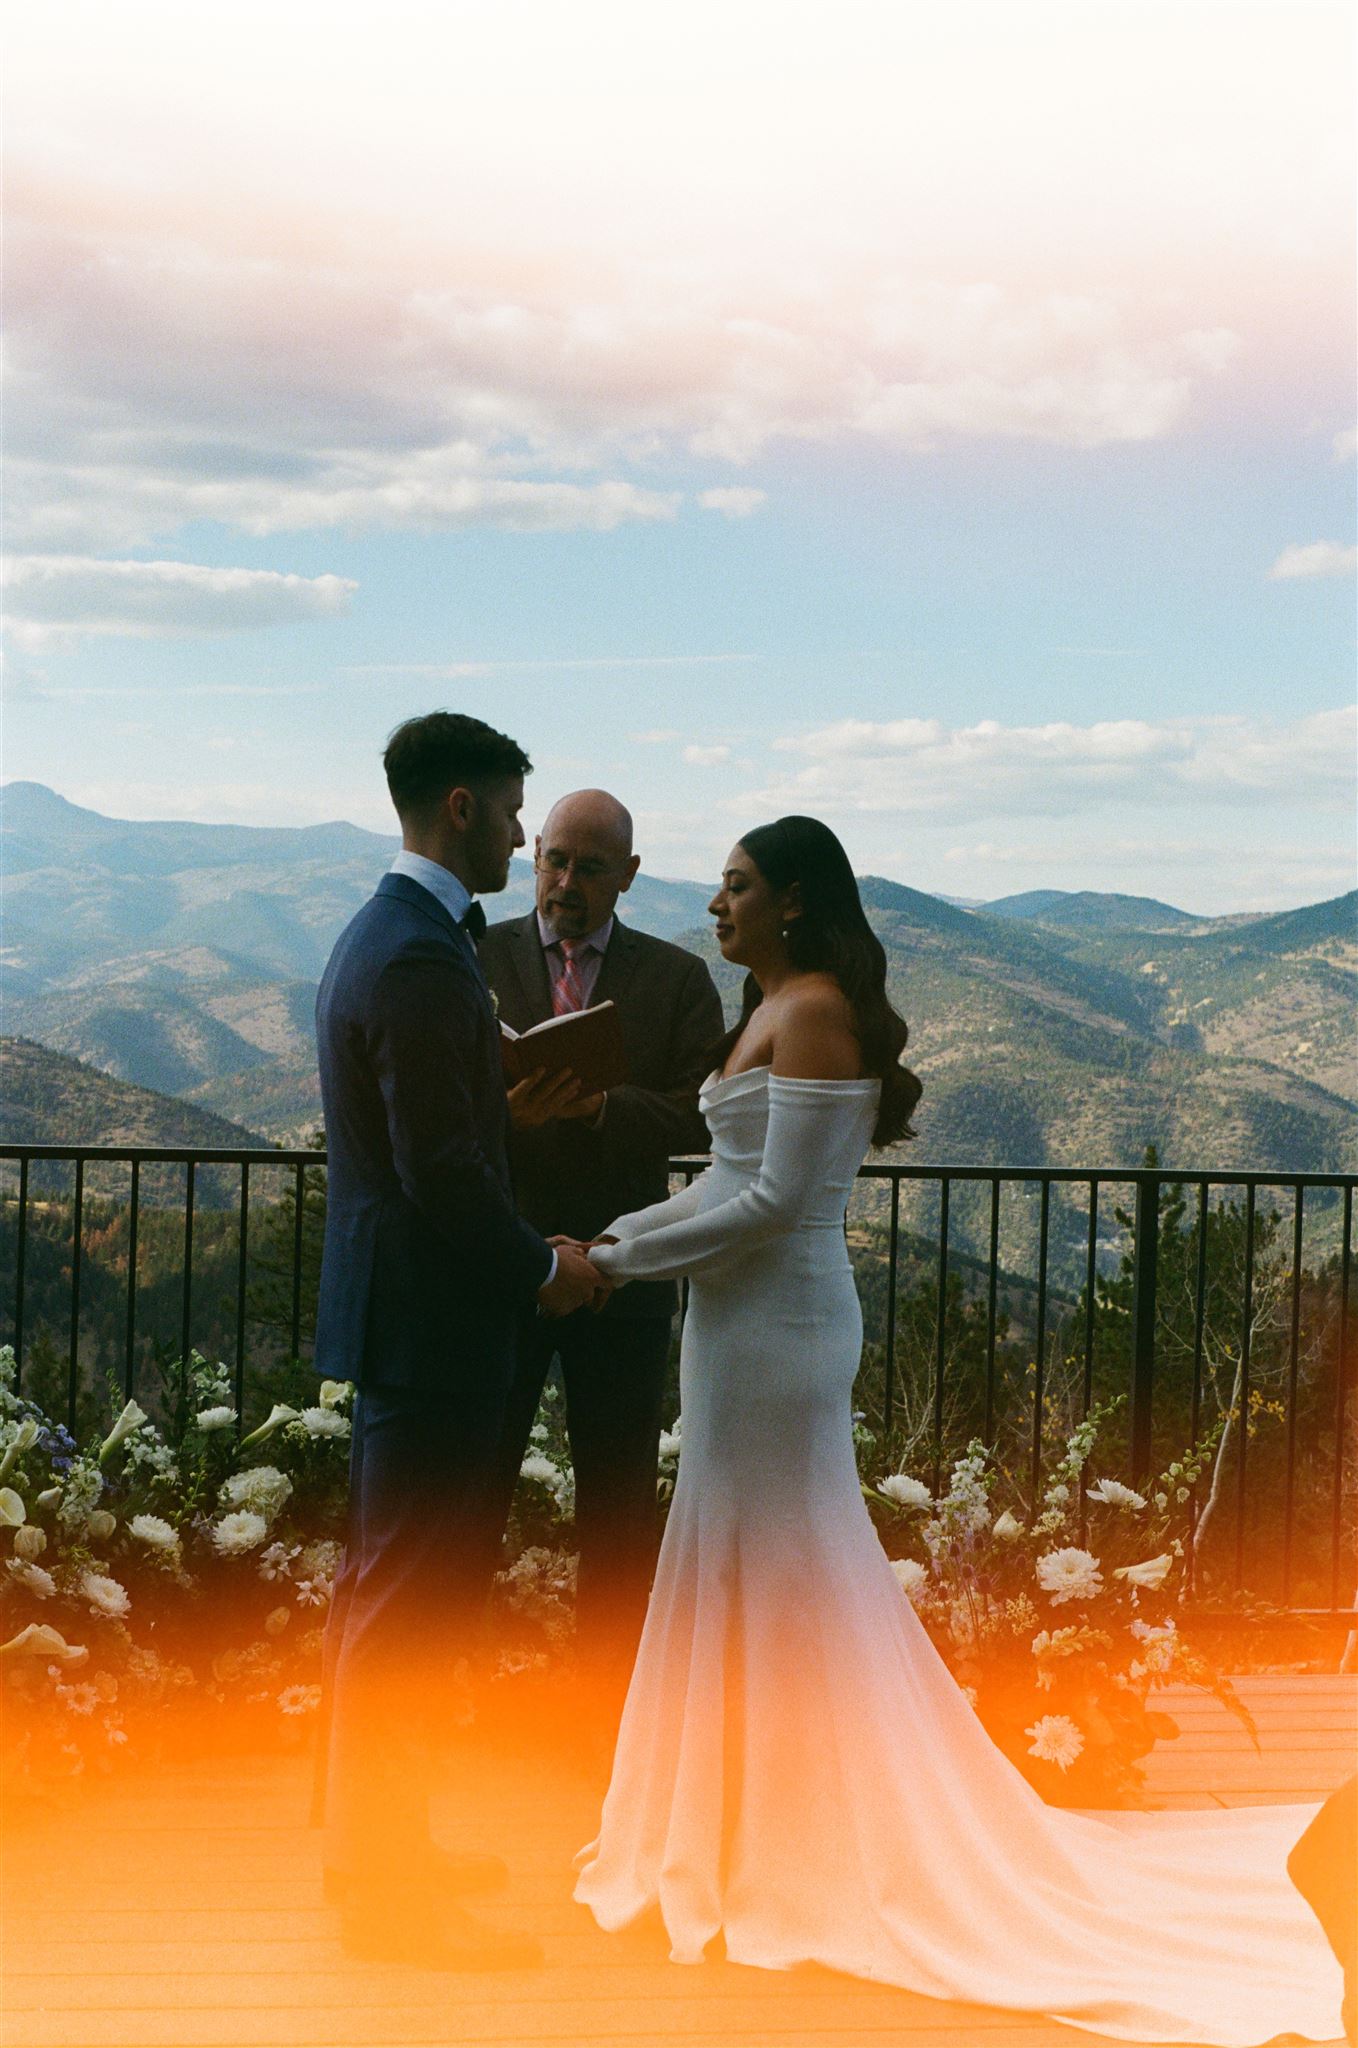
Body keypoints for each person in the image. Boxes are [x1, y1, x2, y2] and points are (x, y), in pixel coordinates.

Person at [571, 815, 1342, 2046]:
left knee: (794, 1573)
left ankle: (803, 1837)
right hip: (731, 1333)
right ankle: (738, 1826)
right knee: (743, 1561)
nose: (713, 905)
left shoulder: (812, 1010)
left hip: (778, 1337)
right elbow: (722, 1181)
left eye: (733, 887)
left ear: (793, 903)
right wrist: (613, 1240)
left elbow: (774, 1202)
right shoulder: (771, 1004)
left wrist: (607, 1259)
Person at [311, 712, 604, 1970]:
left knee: (393, 1600)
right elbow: (437, 1170)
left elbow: (432, 1126)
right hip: (436, 1322)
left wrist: (500, 1091)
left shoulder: (391, 935)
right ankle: (388, 1900)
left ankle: (387, 1852)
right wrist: (544, 1265)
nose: (529, 835)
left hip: (407, 1316)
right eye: (513, 806)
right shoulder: (427, 958)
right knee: (407, 1611)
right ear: (463, 806)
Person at [478, 789, 723, 1723]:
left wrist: (601, 1107)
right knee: (476, 1485)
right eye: (554, 861)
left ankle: (610, 1716)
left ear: (628, 874)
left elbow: (706, 1114)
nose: (565, 884)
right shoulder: (476, 960)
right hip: (506, 1261)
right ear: (533, 855)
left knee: (617, 1500)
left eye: (589, 867)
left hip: (623, 1266)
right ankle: (447, 1701)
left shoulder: (673, 980)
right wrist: (508, 1112)